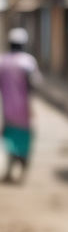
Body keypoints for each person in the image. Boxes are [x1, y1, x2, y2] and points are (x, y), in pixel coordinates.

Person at [0, 26, 41, 184]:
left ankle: (11, 170)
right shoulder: (27, 61)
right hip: (24, 110)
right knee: (24, 141)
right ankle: (22, 171)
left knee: (10, 140)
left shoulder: (3, 61)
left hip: (8, 110)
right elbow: (35, 84)